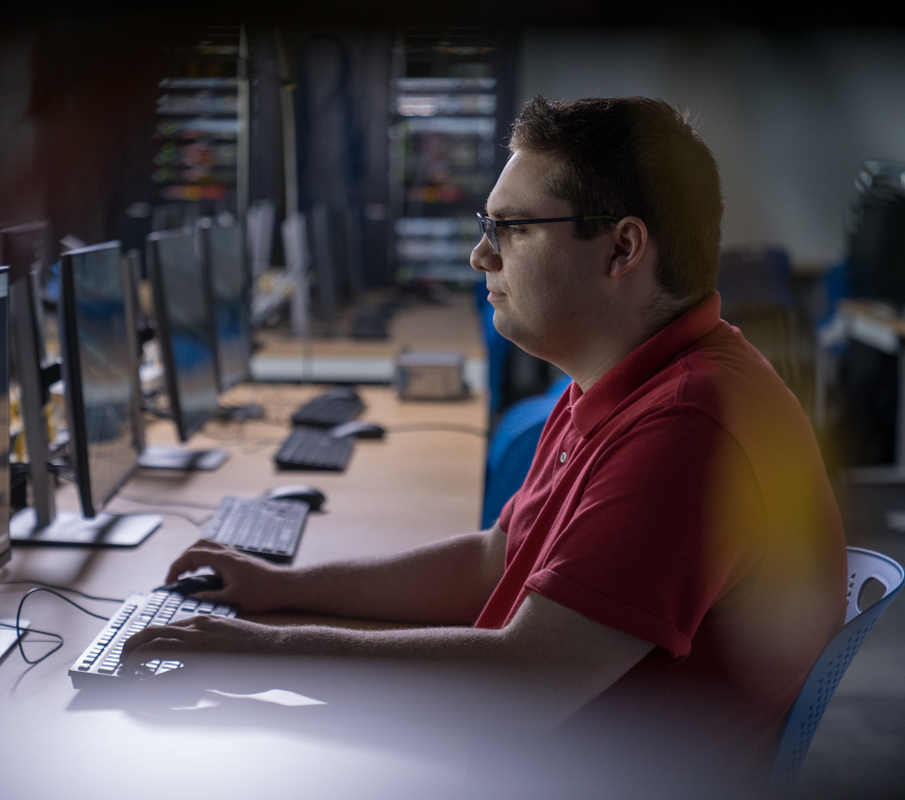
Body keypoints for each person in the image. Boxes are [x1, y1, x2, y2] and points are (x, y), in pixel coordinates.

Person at [123, 96, 846, 764]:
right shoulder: (622, 374)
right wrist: (281, 587)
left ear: (623, 249)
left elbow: (518, 687)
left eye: (514, 229)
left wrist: (260, 653)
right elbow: (497, 560)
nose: (481, 257)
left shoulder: (691, 423)